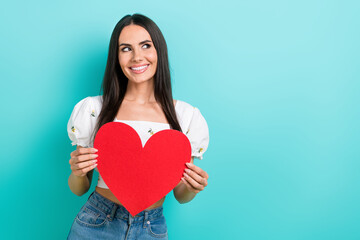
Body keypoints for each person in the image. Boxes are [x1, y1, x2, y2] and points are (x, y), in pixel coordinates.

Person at [66, 13, 210, 239]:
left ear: (158, 51)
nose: (137, 57)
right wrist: (77, 172)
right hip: (96, 223)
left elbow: (181, 196)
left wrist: (193, 186)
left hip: (151, 228)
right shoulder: (94, 109)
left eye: (145, 45)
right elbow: (79, 188)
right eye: (126, 48)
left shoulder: (185, 116)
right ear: (117, 56)